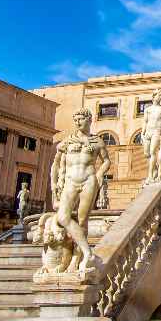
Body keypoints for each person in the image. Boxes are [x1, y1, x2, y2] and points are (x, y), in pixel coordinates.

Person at [49, 109, 110, 274]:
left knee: (83, 221)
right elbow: (56, 164)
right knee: (63, 217)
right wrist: (54, 184)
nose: (77, 122)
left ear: (89, 120)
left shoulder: (97, 141)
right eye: (75, 119)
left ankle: (75, 259)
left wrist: (99, 174)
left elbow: (106, 161)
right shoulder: (67, 142)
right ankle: (87, 252)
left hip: (89, 180)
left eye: (81, 119)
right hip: (70, 181)